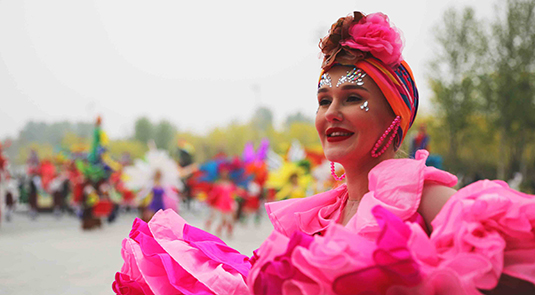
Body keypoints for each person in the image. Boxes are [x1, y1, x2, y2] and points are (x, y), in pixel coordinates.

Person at [113, 11, 535, 295]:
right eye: (323, 99)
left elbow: (507, 258)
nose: (331, 113)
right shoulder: (319, 214)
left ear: (397, 115)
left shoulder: (418, 192)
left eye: (352, 97)